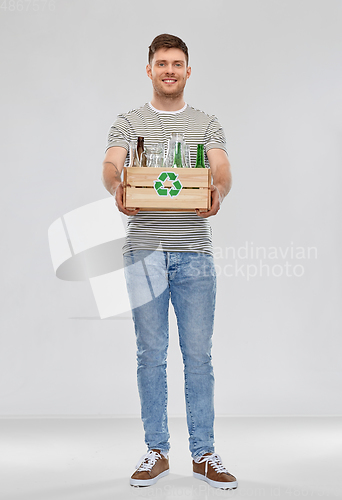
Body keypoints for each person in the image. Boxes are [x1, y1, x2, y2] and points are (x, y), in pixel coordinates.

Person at [102, 34, 237, 490]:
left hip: (194, 253)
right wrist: (115, 185)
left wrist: (218, 190)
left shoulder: (206, 123)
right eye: (162, 63)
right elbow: (111, 164)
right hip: (144, 253)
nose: (170, 70)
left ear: (188, 70)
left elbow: (221, 170)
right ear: (149, 70)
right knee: (151, 354)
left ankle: (204, 453)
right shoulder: (129, 121)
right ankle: (156, 450)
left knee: (198, 356)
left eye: (177, 63)